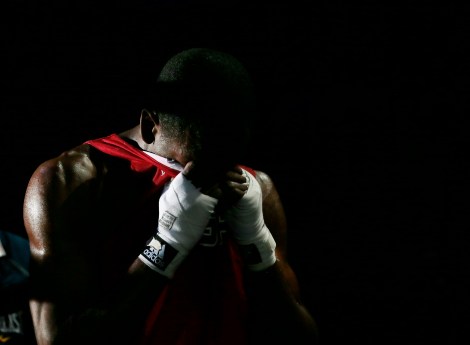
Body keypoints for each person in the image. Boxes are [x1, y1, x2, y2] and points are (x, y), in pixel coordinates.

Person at [23, 47, 318, 345]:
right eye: (197, 163)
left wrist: (257, 247)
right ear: (151, 126)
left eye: (226, 158)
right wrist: (167, 243)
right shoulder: (71, 182)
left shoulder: (256, 187)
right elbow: (56, 339)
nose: (214, 175)